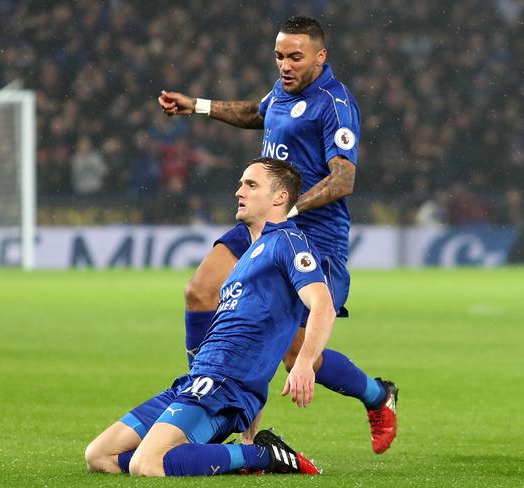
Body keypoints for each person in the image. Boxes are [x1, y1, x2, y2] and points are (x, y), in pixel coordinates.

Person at [157, 15, 398, 454]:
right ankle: (201, 395)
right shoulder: (282, 93)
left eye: (295, 57)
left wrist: (290, 207)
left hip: (312, 237)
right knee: (199, 291)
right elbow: (256, 112)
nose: (285, 65)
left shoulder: (334, 104)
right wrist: (199, 106)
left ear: (321, 57)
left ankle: (378, 396)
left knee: (295, 353)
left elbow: (343, 180)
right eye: (279, 56)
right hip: (262, 225)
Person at [85, 158, 333, 477]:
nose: (238, 191)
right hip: (197, 381)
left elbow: (322, 304)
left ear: (280, 197)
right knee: (100, 456)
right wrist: (251, 426)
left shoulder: (288, 242)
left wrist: (304, 362)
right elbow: (252, 336)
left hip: (224, 389)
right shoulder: (249, 255)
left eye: (251, 185)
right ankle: (219, 453)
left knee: (146, 464)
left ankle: (262, 455)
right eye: (242, 183)